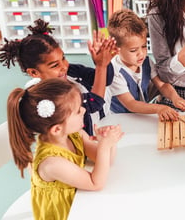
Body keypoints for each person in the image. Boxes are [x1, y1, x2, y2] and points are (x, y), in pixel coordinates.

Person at [7, 78, 123, 220]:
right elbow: (96, 183)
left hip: (83, 202)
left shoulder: (75, 134)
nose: (84, 110)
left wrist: (108, 141)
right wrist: (104, 146)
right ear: (57, 129)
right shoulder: (51, 163)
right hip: (66, 214)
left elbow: (107, 161)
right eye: (78, 111)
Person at [0, 18, 116, 135]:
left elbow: (105, 80)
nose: (64, 66)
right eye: (54, 65)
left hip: (98, 131)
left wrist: (102, 60)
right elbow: (93, 103)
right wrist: (101, 66)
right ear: (33, 73)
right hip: (76, 148)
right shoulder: (43, 95)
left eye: (63, 58)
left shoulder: (70, 71)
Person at [107, 9, 185, 121]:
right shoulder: (114, 71)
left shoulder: (145, 61)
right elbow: (131, 104)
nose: (141, 53)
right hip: (119, 118)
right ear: (116, 49)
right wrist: (158, 108)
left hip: (139, 115)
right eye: (133, 50)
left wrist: (175, 98)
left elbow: (162, 85)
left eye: (144, 46)